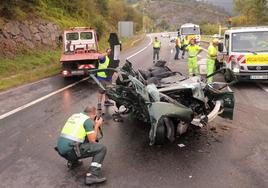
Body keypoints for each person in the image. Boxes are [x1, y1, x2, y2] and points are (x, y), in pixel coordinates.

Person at [56, 106, 107, 185]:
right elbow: (93, 141)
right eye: (95, 115)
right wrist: (96, 125)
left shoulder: (74, 116)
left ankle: (73, 162)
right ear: (93, 114)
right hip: (70, 151)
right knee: (102, 149)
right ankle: (92, 176)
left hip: (60, 150)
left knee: (82, 138)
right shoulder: (87, 121)